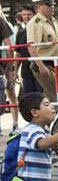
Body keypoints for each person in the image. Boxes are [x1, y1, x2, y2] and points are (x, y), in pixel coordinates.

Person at [27, 0, 58, 102]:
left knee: (50, 97)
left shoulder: (53, 20)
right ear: (39, 6)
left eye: (53, 5)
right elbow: (32, 46)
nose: (52, 7)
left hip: (56, 64)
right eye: (48, 5)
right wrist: (40, 66)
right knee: (57, 97)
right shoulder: (36, 23)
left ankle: (45, 118)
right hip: (45, 64)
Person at [15, 4, 42, 97]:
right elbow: (18, 53)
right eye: (24, 14)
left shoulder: (40, 29)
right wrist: (15, 72)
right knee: (29, 99)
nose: (26, 17)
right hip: (26, 72)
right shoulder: (20, 33)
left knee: (43, 98)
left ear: (34, 15)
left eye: (29, 14)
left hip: (41, 71)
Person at [0, 8, 19, 136]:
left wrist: (9, 69)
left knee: (10, 94)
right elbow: (10, 48)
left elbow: (10, 48)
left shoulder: (4, 23)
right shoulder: (2, 22)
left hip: (5, 65)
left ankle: (15, 123)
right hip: (4, 66)